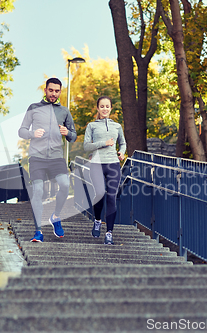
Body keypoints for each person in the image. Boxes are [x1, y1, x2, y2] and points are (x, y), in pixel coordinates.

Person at [18, 78, 77, 242]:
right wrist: (32, 134)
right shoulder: (34, 108)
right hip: (37, 157)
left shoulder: (64, 111)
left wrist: (67, 133)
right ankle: (38, 231)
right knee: (38, 191)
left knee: (65, 185)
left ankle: (55, 216)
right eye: (51, 90)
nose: (54, 94)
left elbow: (74, 136)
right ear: (45, 90)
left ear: (60, 92)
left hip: (56, 157)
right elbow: (21, 131)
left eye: (57, 91)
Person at [83, 96, 126, 245]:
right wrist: (103, 143)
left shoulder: (117, 126)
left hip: (113, 164)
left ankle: (109, 233)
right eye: (102, 106)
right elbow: (86, 146)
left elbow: (123, 142)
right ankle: (97, 220)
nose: (105, 109)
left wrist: (121, 152)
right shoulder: (91, 126)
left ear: (111, 108)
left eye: (107, 106)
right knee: (100, 193)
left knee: (112, 197)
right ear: (97, 108)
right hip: (96, 164)